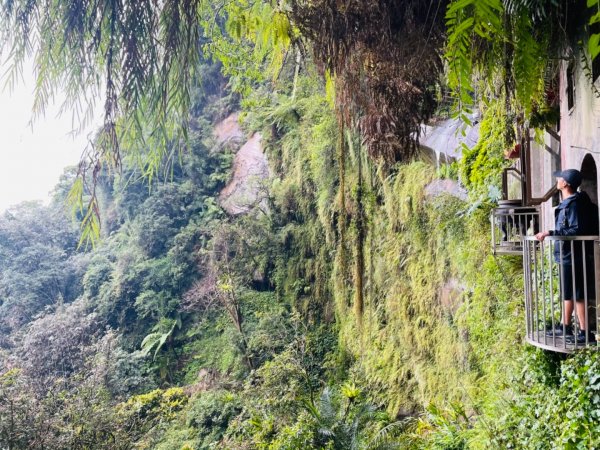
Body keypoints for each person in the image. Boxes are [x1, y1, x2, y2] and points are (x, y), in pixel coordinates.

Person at [535, 169, 599, 344]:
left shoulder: (575, 204)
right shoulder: (571, 202)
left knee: (577, 293)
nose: (558, 180)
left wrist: (550, 232)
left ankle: (586, 333)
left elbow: (576, 230)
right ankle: (565, 326)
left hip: (574, 255)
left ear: (566, 184)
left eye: (560, 178)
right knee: (569, 292)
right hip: (568, 254)